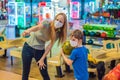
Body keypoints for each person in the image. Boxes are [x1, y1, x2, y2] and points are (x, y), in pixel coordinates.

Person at [22, 13, 67, 80]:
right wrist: (28, 30)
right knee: (25, 72)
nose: (58, 22)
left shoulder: (58, 33)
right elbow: (37, 27)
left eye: (60, 21)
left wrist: (42, 59)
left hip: (40, 51)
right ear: (54, 19)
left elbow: (49, 46)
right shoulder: (47, 23)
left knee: (44, 73)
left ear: (63, 24)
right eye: (57, 19)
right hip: (28, 47)